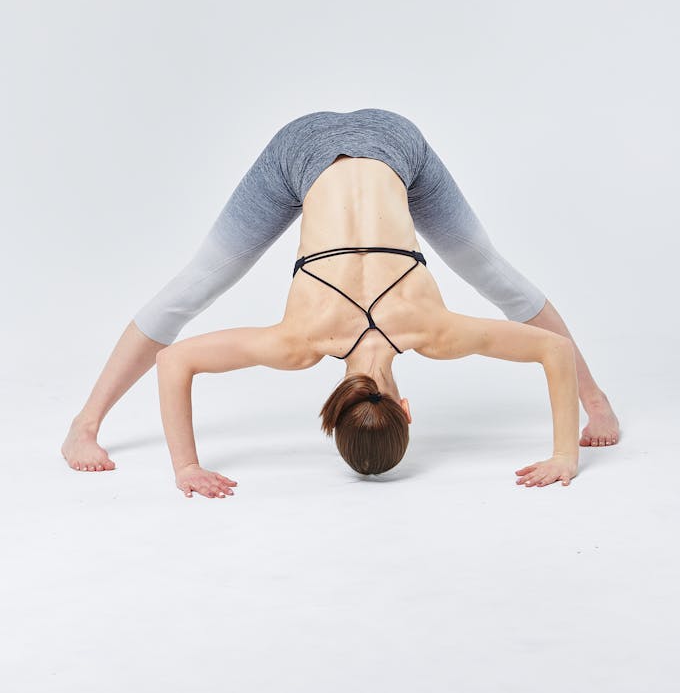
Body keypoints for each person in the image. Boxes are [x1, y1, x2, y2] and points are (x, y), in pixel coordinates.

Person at [61, 107, 620, 497]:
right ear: (331, 413)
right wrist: (186, 468)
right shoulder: (298, 344)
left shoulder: (435, 332)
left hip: (379, 146)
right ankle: (81, 428)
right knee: (498, 277)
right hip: (319, 150)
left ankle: (86, 425)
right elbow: (175, 362)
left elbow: (551, 351)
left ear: (406, 410)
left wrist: (564, 456)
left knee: (499, 279)